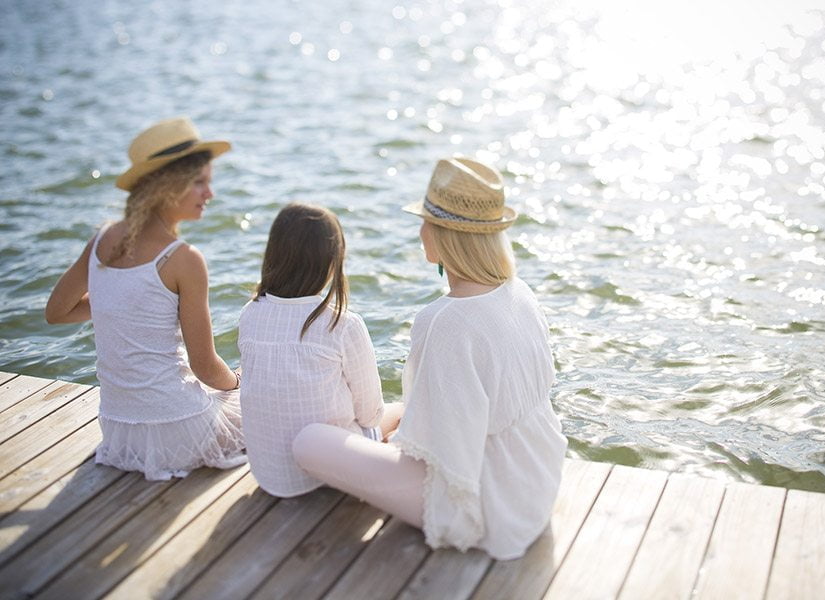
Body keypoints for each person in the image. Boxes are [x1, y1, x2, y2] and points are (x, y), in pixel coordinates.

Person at [292, 157, 568, 560]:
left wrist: (391, 442)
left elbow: (437, 452)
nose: (420, 231)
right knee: (396, 413)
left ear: (443, 235)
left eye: (425, 222)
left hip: (489, 505)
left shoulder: (444, 321)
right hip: (536, 483)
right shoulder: (519, 292)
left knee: (309, 441)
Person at [44, 116, 246, 481]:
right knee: (255, 387)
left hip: (120, 431)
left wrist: (121, 304)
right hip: (179, 428)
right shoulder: (184, 259)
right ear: (168, 187)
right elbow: (205, 367)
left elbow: (57, 312)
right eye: (199, 182)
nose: (210, 194)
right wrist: (238, 382)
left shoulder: (101, 241)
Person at [238, 203, 402, 497]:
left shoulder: (250, 313)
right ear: (331, 261)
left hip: (270, 475)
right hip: (327, 475)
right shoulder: (342, 324)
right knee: (401, 411)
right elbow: (370, 415)